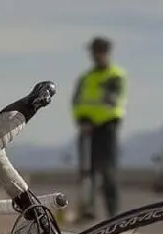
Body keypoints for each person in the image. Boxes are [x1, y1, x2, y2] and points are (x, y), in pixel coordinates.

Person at [71, 36, 128, 221]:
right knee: (87, 171)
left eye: (99, 52)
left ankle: (112, 213)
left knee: (108, 172)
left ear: (106, 53)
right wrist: (82, 120)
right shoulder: (85, 78)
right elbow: (77, 102)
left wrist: (96, 120)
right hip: (86, 128)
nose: (95, 56)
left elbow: (113, 101)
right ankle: (88, 209)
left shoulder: (116, 76)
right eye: (94, 52)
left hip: (107, 128)